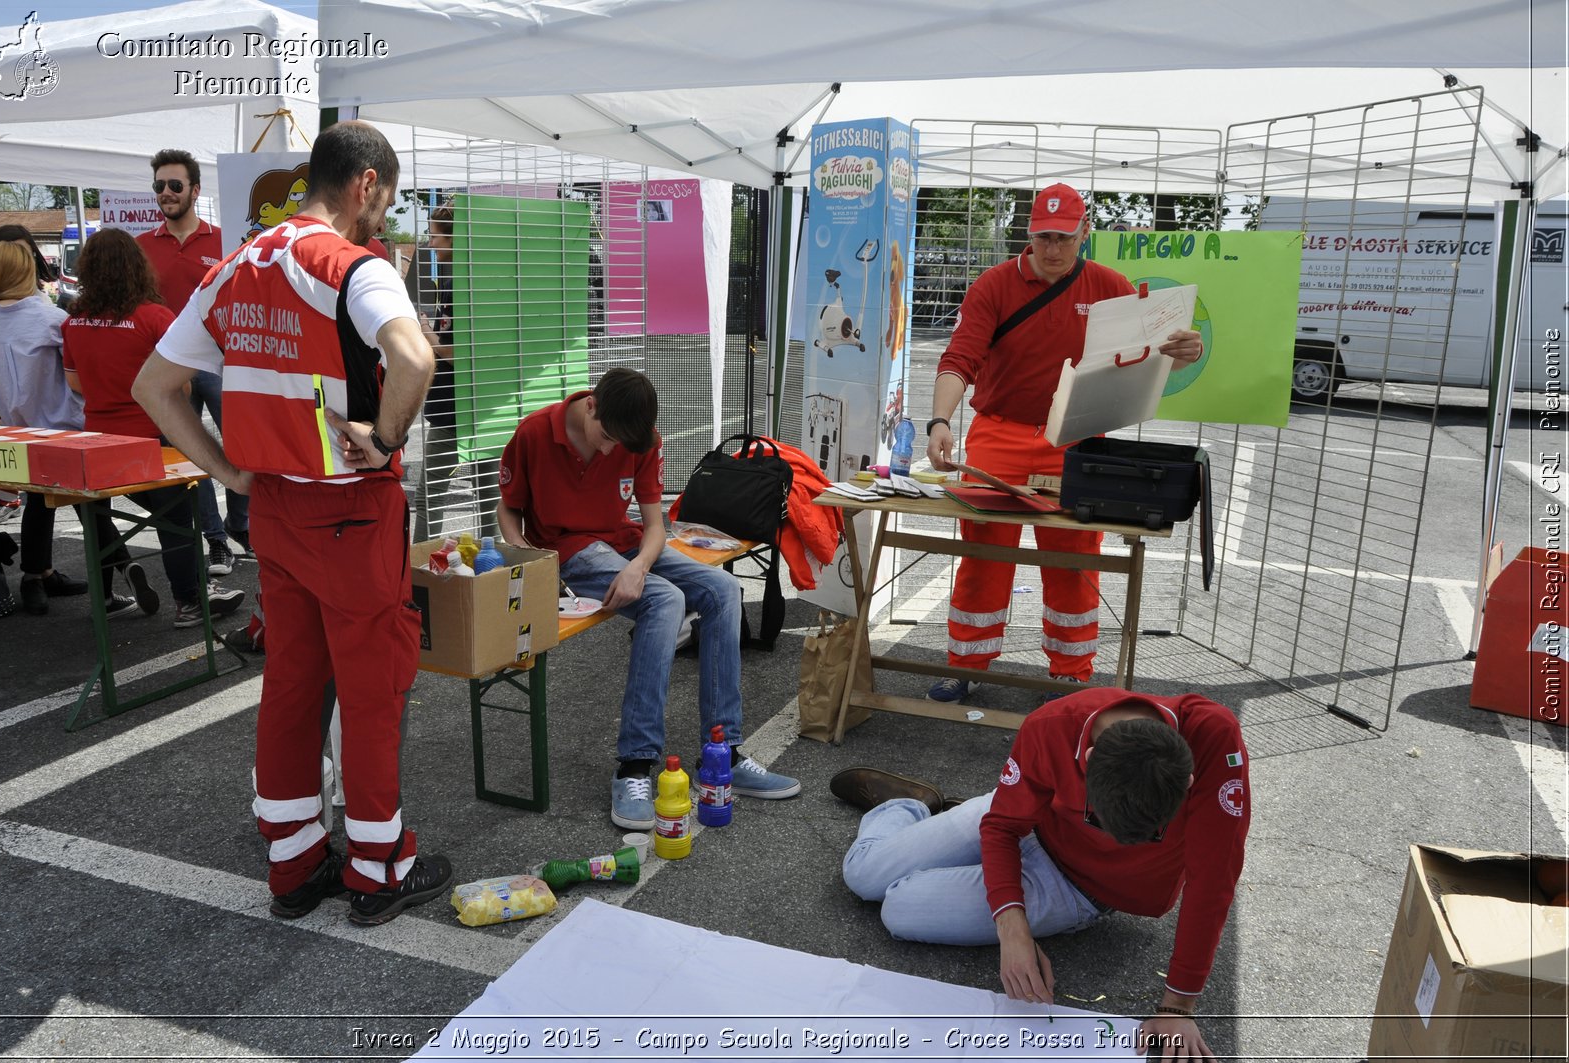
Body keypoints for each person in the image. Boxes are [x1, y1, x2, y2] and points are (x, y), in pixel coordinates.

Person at [133, 120, 451, 926]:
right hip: (347, 510)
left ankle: (294, 858)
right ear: (366, 184)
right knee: (372, 690)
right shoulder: (350, 265)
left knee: (291, 685)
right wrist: (383, 439)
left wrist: (227, 469)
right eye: (388, 197)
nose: (386, 215)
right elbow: (415, 358)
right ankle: (379, 867)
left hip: (271, 508)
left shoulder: (236, 262)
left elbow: (155, 385)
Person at [837, 686, 1250, 1062]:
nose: (1125, 845)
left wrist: (1178, 1008)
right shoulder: (1052, 723)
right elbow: (1001, 826)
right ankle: (909, 805)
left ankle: (937, 828)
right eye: (1105, 822)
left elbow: (1213, 880)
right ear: (1088, 761)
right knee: (862, 874)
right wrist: (1012, 928)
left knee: (899, 908)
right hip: (1024, 821)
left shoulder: (1216, 740)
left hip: (1077, 888)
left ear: (1189, 780)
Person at [924, 183, 1204, 702]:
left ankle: (1071, 671)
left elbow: (1153, 354)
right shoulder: (992, 285)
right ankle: (968, 663)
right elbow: (960, 358)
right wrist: (939, 420)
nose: (1051, 249)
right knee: (984, 554)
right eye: (1041, 237)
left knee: (1074, 556)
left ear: (1084, 233)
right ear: (1028, 235)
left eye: (1063, 238)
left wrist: (1186, 350)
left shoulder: (1110, 286)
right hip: (998, 435)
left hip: (1074, 438)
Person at [497, 367, 802, 830]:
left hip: (624, 545)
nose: (607, 449)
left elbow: (656, 527)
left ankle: (723, 753)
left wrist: (637, 566)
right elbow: (508, 508)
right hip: (568, 555)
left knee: (723, 589)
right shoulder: (535, 432)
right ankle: (635, 764)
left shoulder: (641, 439)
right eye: (605, 438)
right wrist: (524, 558)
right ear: (592, 406)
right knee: (665, 601)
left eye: (618, 444)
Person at [62, 229, 245, 626]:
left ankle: (108, 597)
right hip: (151, 438)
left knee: (97, 519)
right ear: (137, 267)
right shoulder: (155, 317)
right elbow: (177, 386)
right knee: (177, 521)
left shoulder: (74, 322)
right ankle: (190, 600)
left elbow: (75, 384)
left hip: (96, 440)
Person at [137, 147, 246, 577]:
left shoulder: (224, 239)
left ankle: (243, 527)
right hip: (170, 368)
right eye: (159, 185)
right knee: (189, 456)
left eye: (174, 185)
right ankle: (216, 541)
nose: (166, 192)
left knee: (241, 448)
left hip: (223, 365)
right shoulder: (141, 246)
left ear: (195, 190)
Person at [0, 239, 89, 614]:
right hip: (67, 427)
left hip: (19, 430)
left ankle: (38, 577)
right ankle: (117, 568)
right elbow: (81, 376)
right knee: (88, 502)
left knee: (43, 497)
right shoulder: (52, 318)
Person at [407, 202, 501, 544]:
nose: (432, 244)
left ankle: (420, 575)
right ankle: (494, 570)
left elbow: (456, 353)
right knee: (488, 499)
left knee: (428, 497)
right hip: (486, 407)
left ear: (455, 239)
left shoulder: (458, 283)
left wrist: (425, 330)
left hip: (454, 411)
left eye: (436, 237)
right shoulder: (482, 278)